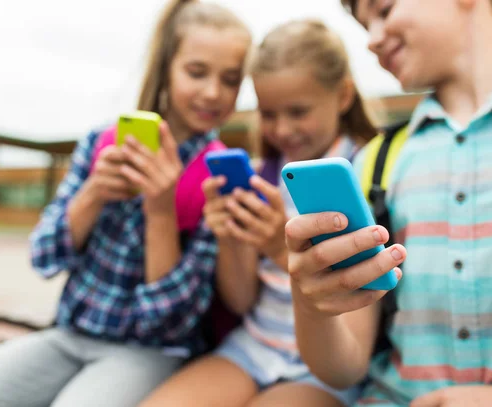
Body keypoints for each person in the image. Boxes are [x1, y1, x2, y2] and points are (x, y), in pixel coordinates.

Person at [0, 1, 251, 406]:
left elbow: (168, 323)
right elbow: (44, 256)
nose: (213, 92)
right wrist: (94, 192)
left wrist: (160, 211)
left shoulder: (219, 177)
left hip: (149, 354)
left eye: (231, 79)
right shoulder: (101, 143)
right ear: (167, 65)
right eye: (196, 72)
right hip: (67, 337)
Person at [287, 0, 492, 405]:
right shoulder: (373, 164)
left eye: (384, 9)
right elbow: (343, 369)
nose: (372, 40)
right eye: (364, 27)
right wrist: (311, 307)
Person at [141, 20, 377, 407]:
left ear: (343, 95)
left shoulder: (367, 174)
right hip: (251, 346)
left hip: (320, 366)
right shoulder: (260, 175)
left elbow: (356, 300)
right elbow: (239, 300)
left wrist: (276, 247)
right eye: (269, 114)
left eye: (298, 112)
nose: (282, 129)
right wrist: (231, 238)